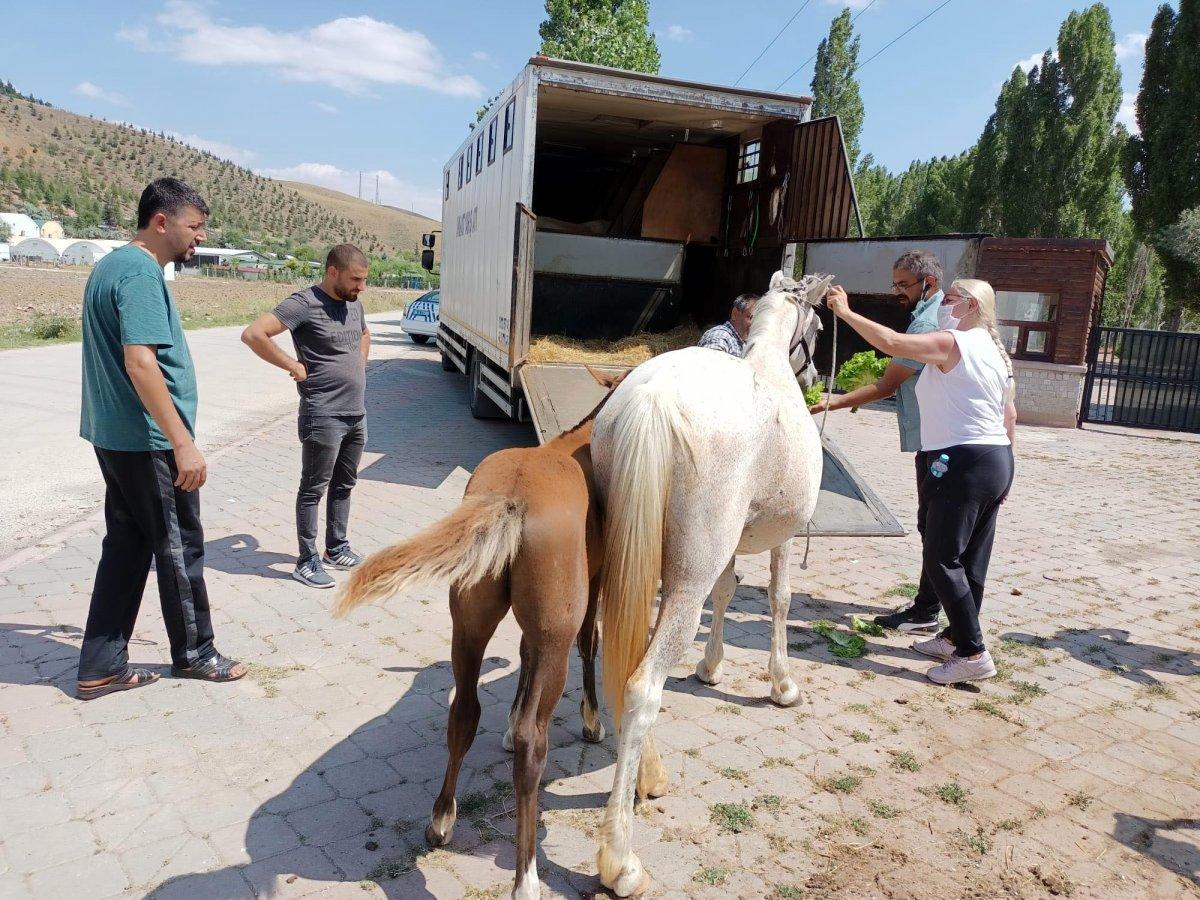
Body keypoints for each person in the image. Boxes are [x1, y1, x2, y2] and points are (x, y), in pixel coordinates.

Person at [77, 178, 247, 700]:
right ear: (161, 222)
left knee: (127, 547)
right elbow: (141, 362)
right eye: (194, 227)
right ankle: (196, 654)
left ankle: (101, 664)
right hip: (148, 440)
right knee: (180, 547)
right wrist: (182, 442)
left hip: (116, 436)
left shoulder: (110, 265)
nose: (198, 238)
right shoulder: (141, 274)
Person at [825, 278, 1016, 684]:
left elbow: (893, 343)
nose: (943, 306)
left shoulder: (954, 343)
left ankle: (973, 652)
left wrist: (845, 312)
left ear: (969, 305)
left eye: (948, 300)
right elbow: (1009, 416)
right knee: (969, 559)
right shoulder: (997, 354)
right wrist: (1004, 473)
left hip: (961, 460)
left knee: (943, 558)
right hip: (993, 458)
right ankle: (954, 636)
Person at [810, 250, 947, 634]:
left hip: (942, 440)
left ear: (929, 283)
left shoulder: (928, 324)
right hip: (941, 437)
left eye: (904, 285)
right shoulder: (932, 316)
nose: (897, 292)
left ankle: (928, 612)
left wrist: (833, 402)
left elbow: (888, 377)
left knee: (936, 529)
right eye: (896, 284)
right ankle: (933, 607)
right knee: (936, 527)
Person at [241, 244, 371, 589]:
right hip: (323, 413)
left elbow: (363, 334)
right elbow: (254, 334)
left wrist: (359, 364)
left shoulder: (354, 304)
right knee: (313, 488)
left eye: (363, 280)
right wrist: (292, 365)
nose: (361, 287)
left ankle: (336, 547)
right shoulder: (304, 304)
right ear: (332, 272)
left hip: (356, 413)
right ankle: (306, 560)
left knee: (345, 484)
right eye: (355, 279)